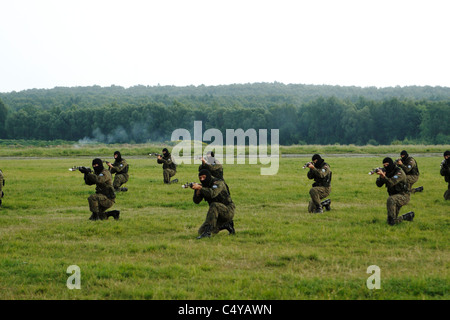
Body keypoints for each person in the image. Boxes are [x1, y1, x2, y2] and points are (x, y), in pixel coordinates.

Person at [191, 169, 235, 239]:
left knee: (214, 205)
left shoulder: (218, 183)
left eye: (204, 177)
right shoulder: (204, 186)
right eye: (200, 178)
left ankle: (207, 233)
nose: (202, 179)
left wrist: (201, 188)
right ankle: (226, 225)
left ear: (208, 176)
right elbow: (196, 201)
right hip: (216, 214)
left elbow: (212, 193)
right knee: (200, 231)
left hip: (228, 210)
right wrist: (197, 191)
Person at [375, 157, 414, 225]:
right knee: (391, 222)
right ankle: (407, 216)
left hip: (404, 196)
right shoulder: (386, 172)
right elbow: (379, 184)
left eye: (387, 165)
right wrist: (381, 177)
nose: (386, 167)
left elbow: (391, 183)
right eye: (384, 165)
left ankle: (392, 220)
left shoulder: (399, 173)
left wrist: (384, 177)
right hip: (395, 196)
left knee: (391, 199)